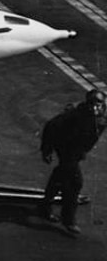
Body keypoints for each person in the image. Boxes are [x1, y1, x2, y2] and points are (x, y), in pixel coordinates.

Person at [40, 89, 106, 237]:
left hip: (77, 150)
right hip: (66, 148)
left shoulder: (102, 115)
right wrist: (47, 150)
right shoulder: (75, 115)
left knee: (59, 176)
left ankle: (45, 206)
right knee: (75, 183)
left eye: (99, 104)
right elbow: (52, 125)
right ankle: (68, 219)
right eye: (92, 104)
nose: (96, 108)